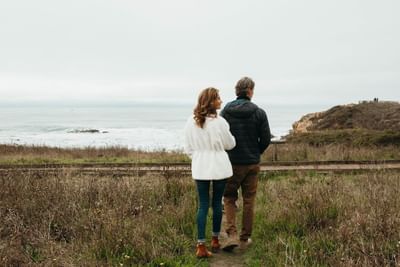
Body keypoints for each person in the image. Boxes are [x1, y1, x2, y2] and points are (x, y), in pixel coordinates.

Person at [184, 87, 236, 258]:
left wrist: (200, 156)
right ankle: (214, 240)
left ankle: (200, 246)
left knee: (203, 205)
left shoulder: (190, 122)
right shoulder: (220, 122)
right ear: (211, 101)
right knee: (216, 204)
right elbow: (230, 144)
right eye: (218, 98)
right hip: (219, 166)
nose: (221, 100)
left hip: (200, 166)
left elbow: (188, 149)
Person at [220, 77, 271, 251]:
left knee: (229, 197)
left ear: (237, 91)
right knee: (249, 200)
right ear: (249, 91)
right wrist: (256, 152)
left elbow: (220, 135)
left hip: (231, 163)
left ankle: (231, 235)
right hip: (251, 163)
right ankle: (244, 237)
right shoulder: (259, 112)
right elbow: (265, 139)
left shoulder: (226, 111)